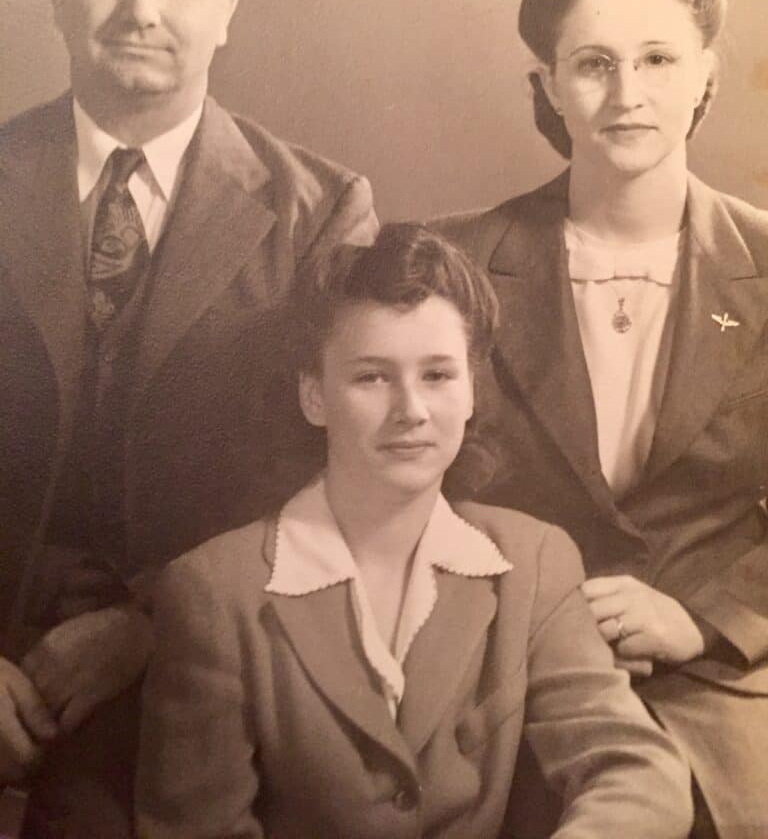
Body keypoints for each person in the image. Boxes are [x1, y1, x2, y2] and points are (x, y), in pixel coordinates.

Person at [0, 0, 376, 837]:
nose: (140, 11)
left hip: (193, 661)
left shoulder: (323, 212)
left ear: (229, 5)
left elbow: (346, 481)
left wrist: (150, 625)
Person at [135, 222, 693, 839]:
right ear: (314, 397)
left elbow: (636, 768)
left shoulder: (532, 563)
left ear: (472, 392)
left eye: (438, 376)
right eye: (372, 377)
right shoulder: (215, 591)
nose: (412, 410)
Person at [435, 0, 768, 839]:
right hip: (498, 683)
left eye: (659, 60)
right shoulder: (455, 262)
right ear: (547, 85)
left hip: (718, 689)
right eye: (593, 64)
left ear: (706, 71)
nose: (629, 93)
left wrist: (703, 620)